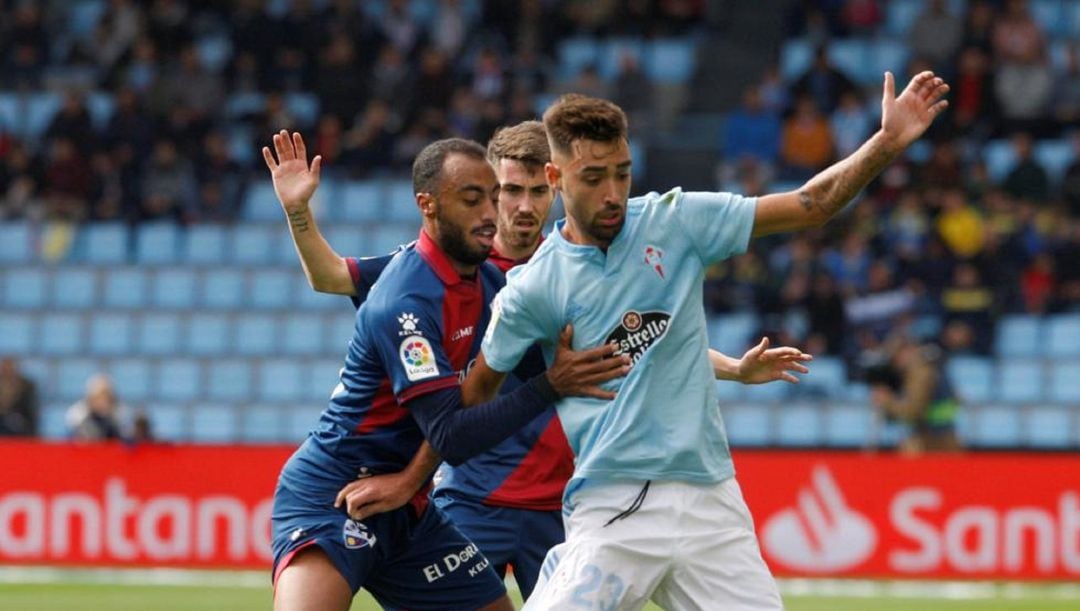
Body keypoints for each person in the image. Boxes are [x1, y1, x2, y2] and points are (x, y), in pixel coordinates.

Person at [464, 71, 949, 609]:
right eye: (593, 177)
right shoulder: (531, 289)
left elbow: (813, 204)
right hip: (615, 506)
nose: (612, 194)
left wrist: (885, 143)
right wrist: (548, 384)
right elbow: (472, 401)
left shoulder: (676, 221)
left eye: (622, 175)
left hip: (711, 501)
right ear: (556, 176)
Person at [273, 121, 812, 600]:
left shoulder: (557, 272)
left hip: (558, 499)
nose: (519, 207)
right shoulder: (432, 274)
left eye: (533, 192)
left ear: (554, 188)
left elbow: (636, 347)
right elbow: (332, 279)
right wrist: (299, 212)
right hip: (471, 492)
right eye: (505, 192)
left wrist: (734, 369)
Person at [262, 133, 628, 611]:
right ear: (428, 206)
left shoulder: (495, 284)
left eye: (493, 198)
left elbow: (584, 355)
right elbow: (453, 433)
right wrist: (551, 385)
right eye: (475, 199)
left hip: (411, 510)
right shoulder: (405, 302)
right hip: (335, 494)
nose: (491, 213)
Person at [869, 335, 963, 455]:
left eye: (896, 357)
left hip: (934, 442)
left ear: (908, 350)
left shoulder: (920, 373)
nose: (896, 364)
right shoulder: (931, 365)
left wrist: (887, 401)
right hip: (943, 436)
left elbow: (913, 412)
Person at [65, 374, 128, 441]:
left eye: (106, 397)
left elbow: (125, 440)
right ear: (90, 397)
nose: (102, 401)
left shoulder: (120, 414)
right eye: (98, 397)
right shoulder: (78, 414)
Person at [0, 357, 39, 437]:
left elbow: (30, 410)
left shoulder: (26, 386)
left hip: (18, 425)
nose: (7, 371)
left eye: (10, 368)